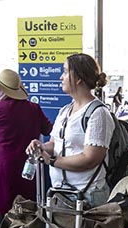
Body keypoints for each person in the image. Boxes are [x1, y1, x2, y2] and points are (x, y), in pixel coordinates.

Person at [26, 53, 115, 207]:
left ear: (78, 78)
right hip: (60, 193)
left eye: (65, 72)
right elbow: (55, 144)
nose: (61, 77)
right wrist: (41, 147)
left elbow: (90, 159)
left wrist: (52, 161)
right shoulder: (65, 110)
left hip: (87, 196)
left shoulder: (99, 113)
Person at [0, 68, 52, 216]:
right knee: (29, 203)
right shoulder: (34, 108)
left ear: (1, 89)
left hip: (4, 166)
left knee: (5, 206)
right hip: (30, 165)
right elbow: (47, 129)